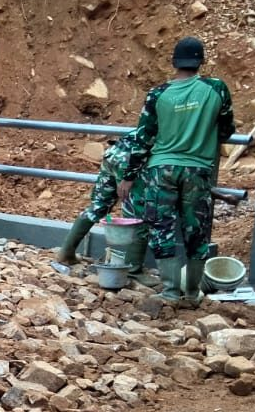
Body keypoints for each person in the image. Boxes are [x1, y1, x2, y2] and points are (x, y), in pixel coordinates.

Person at [120, 37, 235, 305]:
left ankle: (171, 291)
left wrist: (128, 176)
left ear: (174, 62)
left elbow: (143, 138)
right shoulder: (216, 89)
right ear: (200, 61)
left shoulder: (158, 95)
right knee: (197, 232)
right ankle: (193, 293)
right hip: (198, 170)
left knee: (162, 228)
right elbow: (227, 129)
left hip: (161, 170)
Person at [51, 132, 147, 275]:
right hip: (131, 160)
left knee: (99, 205)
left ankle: (66, 252)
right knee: (138, 216)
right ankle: (132, 270)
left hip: (114, 153)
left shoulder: (152, 118)